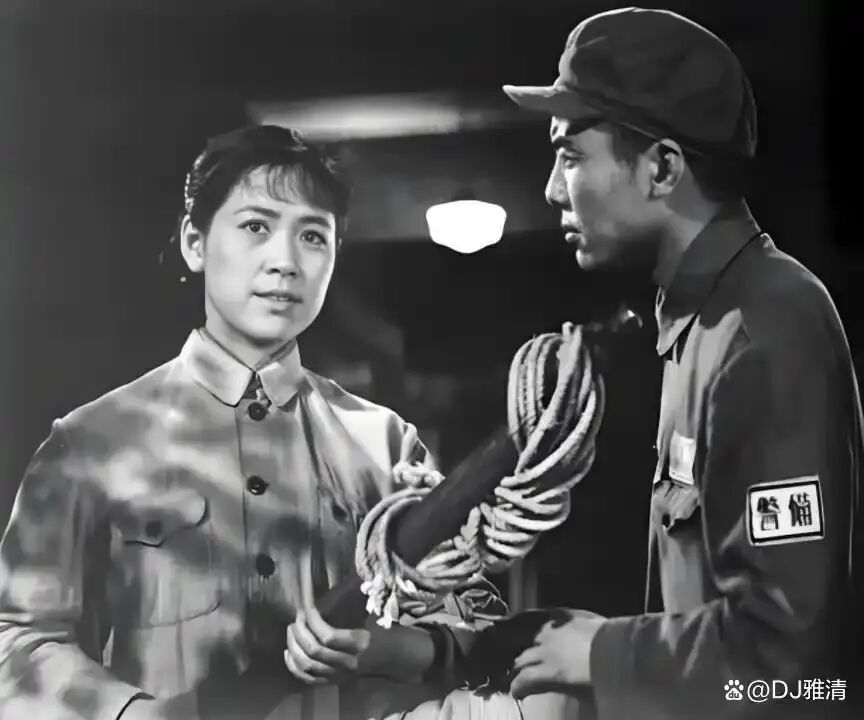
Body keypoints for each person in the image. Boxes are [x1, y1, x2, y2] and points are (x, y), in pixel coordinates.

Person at [0, 125, 532, 720]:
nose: (285, 262)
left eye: (313, 236)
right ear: (195, 243)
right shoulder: (91, 443)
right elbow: (16, 642)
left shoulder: (385, 445)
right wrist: (133, 715)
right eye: (256, 226)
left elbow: (482, 632)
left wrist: (397, 649)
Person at [499, 6, 863, 719]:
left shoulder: (762, 328)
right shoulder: (703, 323)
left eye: (570, 156)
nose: (551, 189)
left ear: (662, 168)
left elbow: (788, 662)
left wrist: (602, 655)